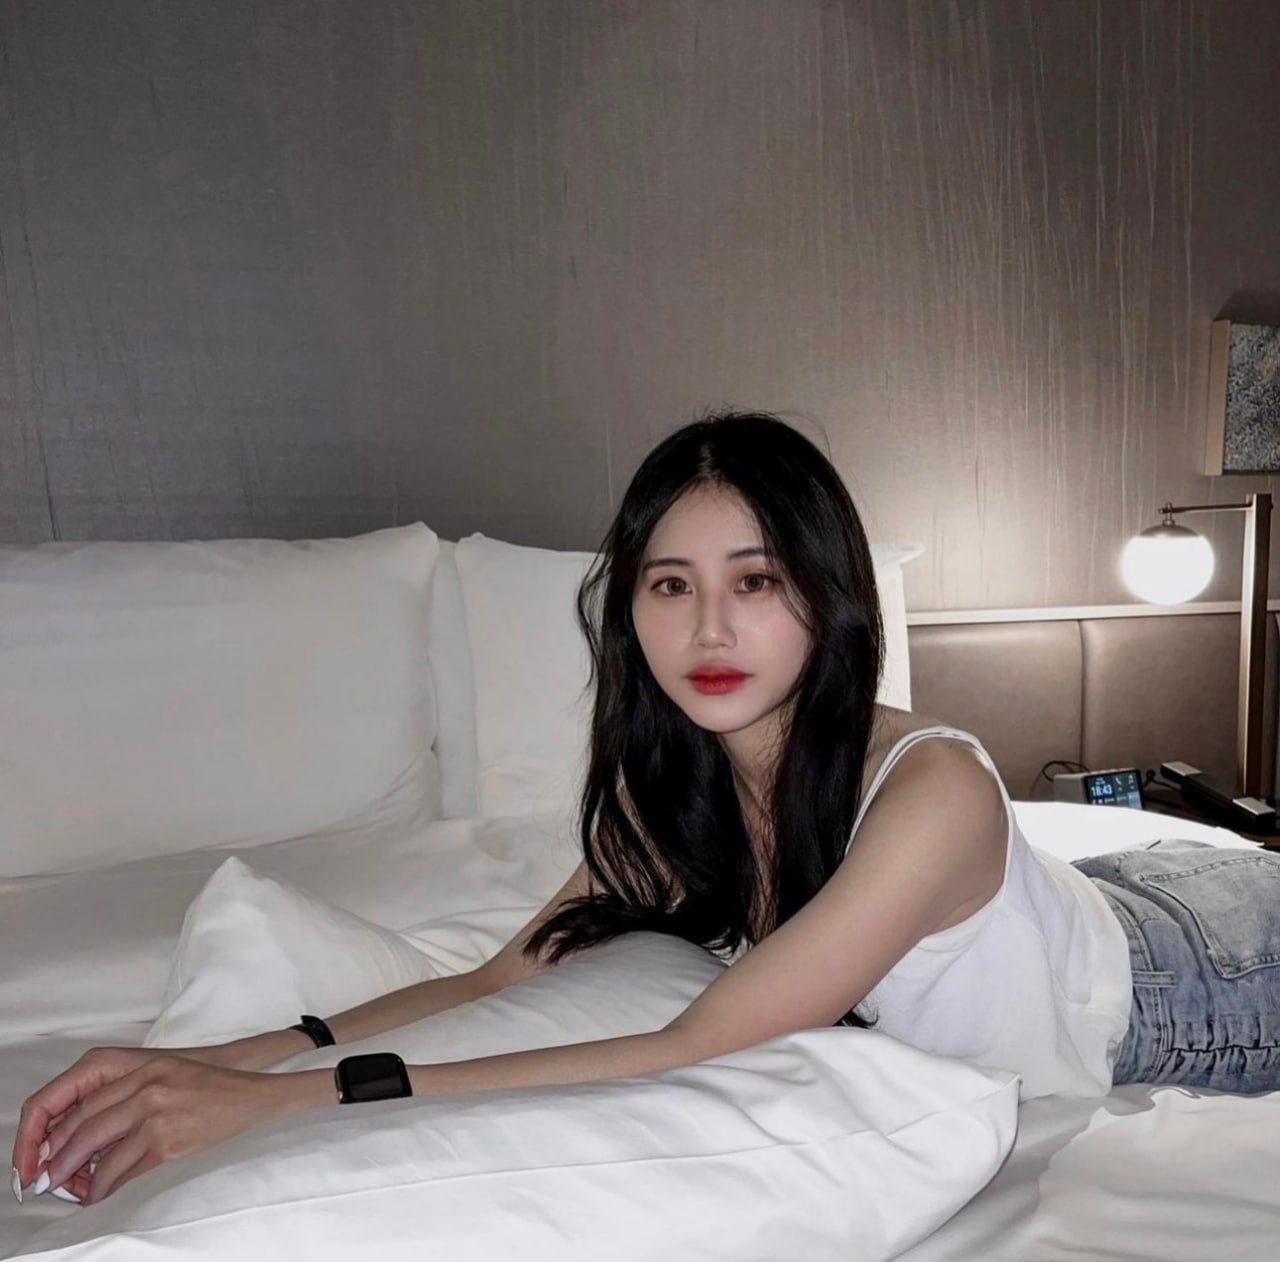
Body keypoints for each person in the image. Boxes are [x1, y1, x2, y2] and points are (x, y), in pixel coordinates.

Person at [11, 410, 1280, 1208]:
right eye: (669, 584)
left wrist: (281, 1103)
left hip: (1205, 976)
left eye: (755, 580)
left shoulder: (933, 785)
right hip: (1095, 898)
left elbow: (691, 1044)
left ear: (826, 592)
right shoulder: (673, 783)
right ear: (628, 607)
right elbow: (499, 975)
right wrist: (223, 1057)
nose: (708, 628)